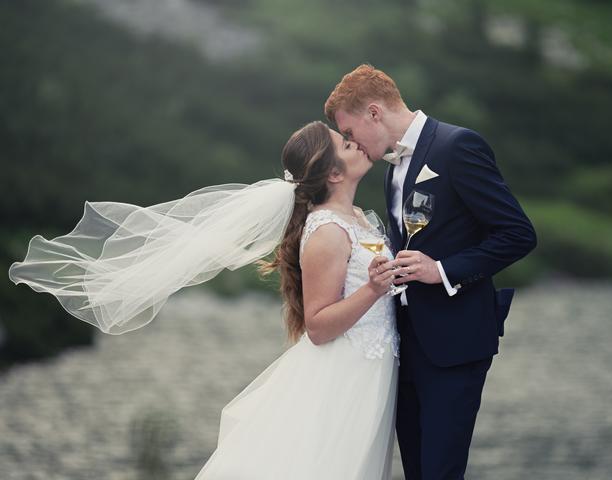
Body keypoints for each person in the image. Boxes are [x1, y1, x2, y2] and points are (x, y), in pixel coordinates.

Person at [8, 121, 401, 479]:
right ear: (334, 173)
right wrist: (372, 289)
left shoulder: (356, 217)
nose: (355, 143)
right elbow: (317, 326)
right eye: (345, 144)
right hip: (342, 376)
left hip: (367, 367)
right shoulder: (327, 232)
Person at [325, 64, 538, 479]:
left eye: (349, 132)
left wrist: (441, 270)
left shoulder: (458, 146)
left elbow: (518, 234)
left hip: (454, 342)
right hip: (404, 344)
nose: (351, 142)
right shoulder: (392, 169)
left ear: (374, 112)